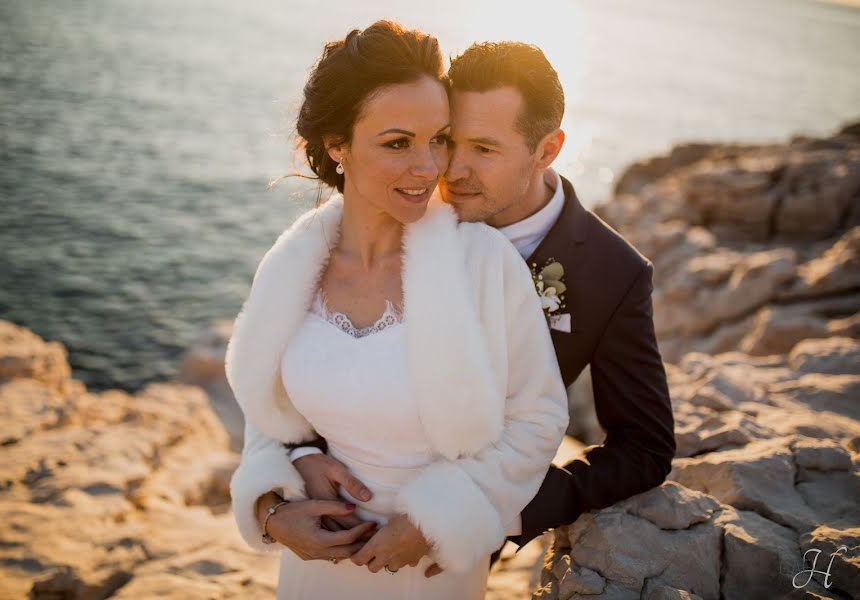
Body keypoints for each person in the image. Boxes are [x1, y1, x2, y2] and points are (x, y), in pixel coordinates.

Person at [289, 40, 677, 576]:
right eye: (451, 140)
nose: (453, 170)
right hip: (340, 523)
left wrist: (488, 513)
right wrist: (300, 458)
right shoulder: (403, 203)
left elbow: (645, 448)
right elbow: (319, 345)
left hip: (456, 550)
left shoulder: (612, 273)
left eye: (485, 150)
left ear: (548, 149)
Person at [225, 22, 569, 599]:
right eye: (397, 143)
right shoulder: (292, 264)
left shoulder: (482, 262)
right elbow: (265, 404)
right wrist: (273, 506)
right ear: (338, 145)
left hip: (431, 571)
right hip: (315, 569)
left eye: (439, 138)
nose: (429, 167)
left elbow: (538, 418)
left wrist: (441, 519)